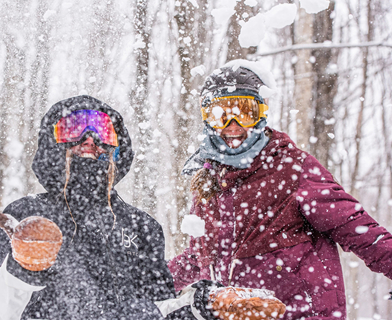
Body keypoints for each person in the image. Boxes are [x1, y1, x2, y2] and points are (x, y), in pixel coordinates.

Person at [166, 60, 392, 320]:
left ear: (261, 114)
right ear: (207, 119)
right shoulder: (210, 182)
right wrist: (147, 284)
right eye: (219, 114)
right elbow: (199, 257)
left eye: (244, 111)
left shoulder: (291, 167)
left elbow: (356, 227)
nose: (233, 124)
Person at [0, 95, 178, 320]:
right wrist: (22, 270)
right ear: (53, 144)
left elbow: (163, 310)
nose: (89, 139)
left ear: (117, 147)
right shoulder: (25, 215)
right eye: (73, 129)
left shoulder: (143, 228)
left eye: (103, 131)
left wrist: (199, 307)